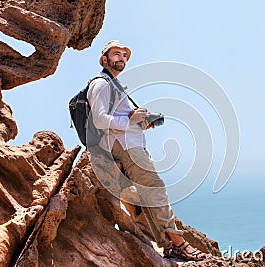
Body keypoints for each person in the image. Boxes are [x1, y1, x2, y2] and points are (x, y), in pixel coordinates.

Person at [86, 40, 206, 261]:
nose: (121, 58)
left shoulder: (115, 86)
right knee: (156, 188)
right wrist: (130, 120)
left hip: (130, 144)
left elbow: (119, 119)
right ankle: (179, 243)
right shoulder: (101, 83)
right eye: (116, 54)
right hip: (126, 148)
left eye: (124, 55)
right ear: (104, 59)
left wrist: (140, 122)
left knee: (140, 199)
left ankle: (167, 245)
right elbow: (100, 119)